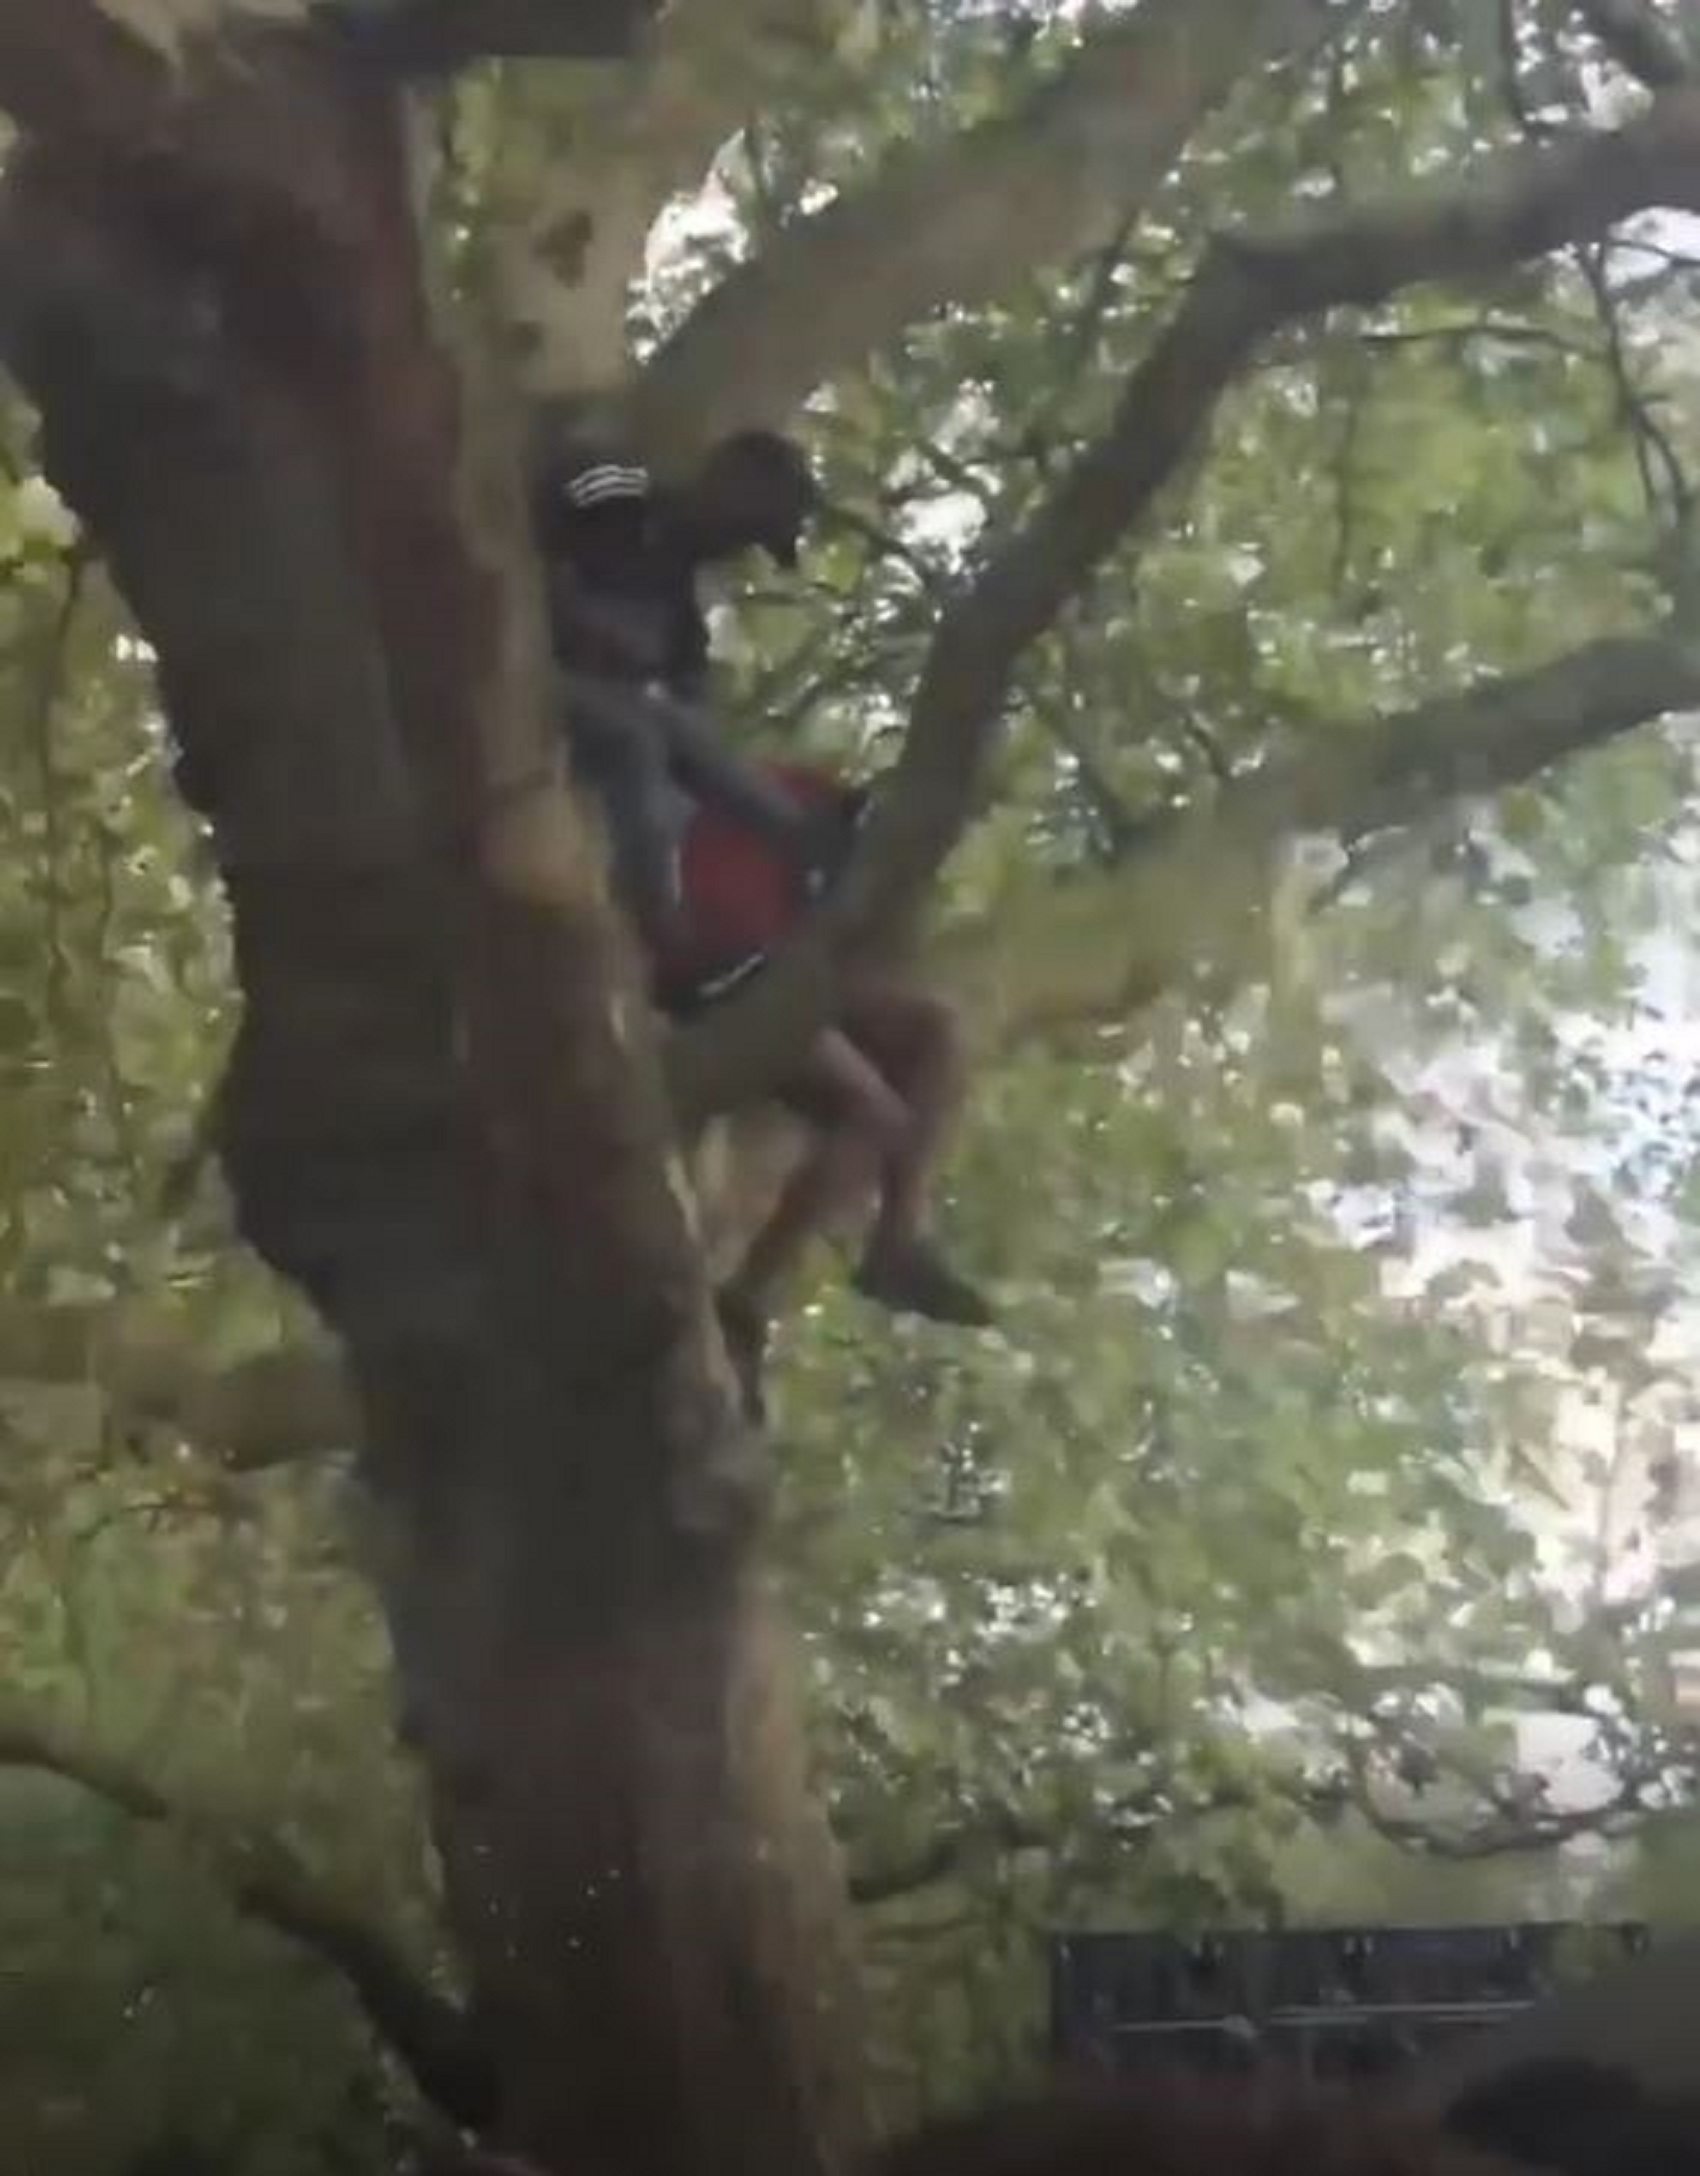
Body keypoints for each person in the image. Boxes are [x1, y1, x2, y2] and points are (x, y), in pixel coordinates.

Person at [533, 419, 993, 1406]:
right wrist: (578, 622)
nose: (745, 553)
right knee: (656, 738)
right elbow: (527, 528)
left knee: (932, 1043)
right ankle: (757, 1297)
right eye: (754, 525)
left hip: (723, 893)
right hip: (642, 834)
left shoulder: (690, 631)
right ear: (728, 473)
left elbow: (693, 730)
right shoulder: (619, 488)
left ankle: (891, 1239)